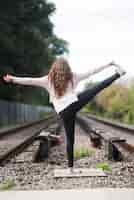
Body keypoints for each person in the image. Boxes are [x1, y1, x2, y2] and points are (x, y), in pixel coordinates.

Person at [3, 58, 126, 172]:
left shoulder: (47, 80)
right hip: (74, 105)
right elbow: (92, 72)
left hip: (63, 113)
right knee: (95, 89)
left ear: (54, 68)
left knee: (70, 139)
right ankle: (118, 74)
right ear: (67, 68)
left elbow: (29, 80)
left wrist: (12, 79)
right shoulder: (73, 76)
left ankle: (70, 168)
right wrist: (109, 64)